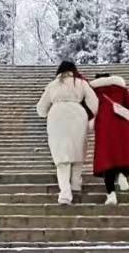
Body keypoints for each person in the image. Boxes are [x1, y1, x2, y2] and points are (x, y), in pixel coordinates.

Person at [36, 60, 99, 204]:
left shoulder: (52, 85)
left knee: (62, 158)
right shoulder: (81, 83)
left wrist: (49, 111)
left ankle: (65, 193)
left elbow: (40, 109)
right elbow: (94, 103)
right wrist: (92, 115)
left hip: (57, 118)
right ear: (73, 70)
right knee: (77, 152)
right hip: (78, 116)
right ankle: (76, 184)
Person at [90, 72, 129, 204]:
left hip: (104, 129)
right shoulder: (121, 89)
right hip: (123, 127)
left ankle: (111, 194)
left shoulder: (95, 92)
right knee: (121, 154)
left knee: (107, 161)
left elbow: (91, 110)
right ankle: (122, 175)